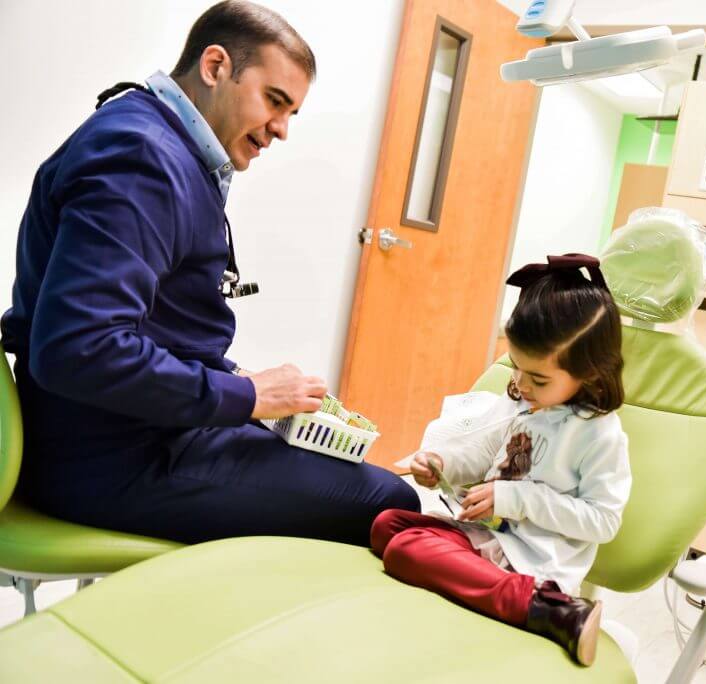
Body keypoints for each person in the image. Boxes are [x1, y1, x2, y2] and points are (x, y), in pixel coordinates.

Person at [0, 1, 419, 546]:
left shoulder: (156, 140)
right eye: (275, 101)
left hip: (125, 433)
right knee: (390, 503)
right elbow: (79, 348)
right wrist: (245, 397)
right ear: (216, 66)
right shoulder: (143, 158)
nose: (282, 129)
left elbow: (141, 327)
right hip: (109, 460)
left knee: (343, 472)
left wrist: (244, 391)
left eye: (292, 112)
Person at [370, 254, 632, 666]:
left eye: (539, 379)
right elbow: (483, 453)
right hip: (486, 537)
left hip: (530, 560)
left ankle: (550, 610)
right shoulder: (525, 404)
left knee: (406, 550)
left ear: (591, 374)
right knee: (388, 526)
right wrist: (443, 463)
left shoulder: (597, 433)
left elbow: (603, 521)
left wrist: (513, 499)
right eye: (516, 368)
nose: (521, 385)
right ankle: (487, 583)